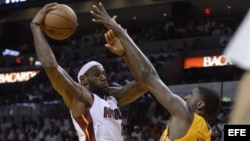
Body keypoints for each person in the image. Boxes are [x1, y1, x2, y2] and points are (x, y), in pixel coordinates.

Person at [90, 2, 221, 141]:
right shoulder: (205, 133)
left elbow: (148, 76)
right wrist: (124, 54)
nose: (186, 97)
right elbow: (145, 81)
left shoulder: (186, 116)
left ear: (200, 104)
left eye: (191, 94)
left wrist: (120, 31)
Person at [30, 3, 148, 141]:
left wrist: (124, 54)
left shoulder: (112, 98)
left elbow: (145, 83)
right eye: (97, 74)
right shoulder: (81, 98)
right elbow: (52, 67)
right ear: (83, 80)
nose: (104, 77)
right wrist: (36, 27)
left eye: (104, 73)